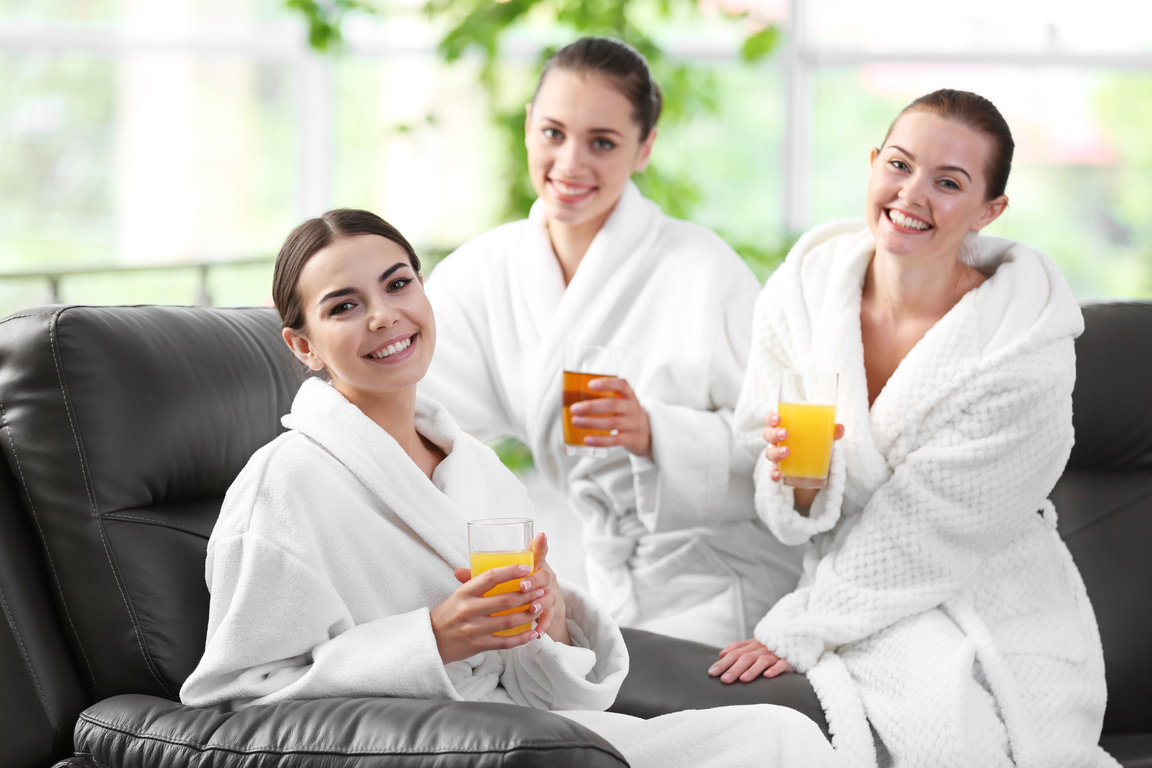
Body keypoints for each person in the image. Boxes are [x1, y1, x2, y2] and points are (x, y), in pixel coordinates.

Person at [179, 209, 842, 768]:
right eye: (345, 306)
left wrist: (548, 621)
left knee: (783, 738)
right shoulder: (284, 483)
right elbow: (238, 704)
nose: (384, 316)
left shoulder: (476, 468)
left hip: (520, 737)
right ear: (304, 347)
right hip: (423, 752)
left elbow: (533, 686)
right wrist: (433, 640)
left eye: (399, 284)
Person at [712, 90, 1117, 767]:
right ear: (873, 165)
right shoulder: (802, 294)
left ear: (990, 210)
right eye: (899, 165)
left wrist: (801, 628)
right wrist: (801, 482)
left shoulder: (1022, 349)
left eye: (948, 182)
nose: (912, 194)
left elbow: (926, 531)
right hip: (853, 585)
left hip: (991, 591)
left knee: (967, 737)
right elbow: (778, 487)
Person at [419, 36, 800, 648]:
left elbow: (783, 453)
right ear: (527, 128)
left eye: (602, 142)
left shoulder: (702, 268)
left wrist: (654, 432)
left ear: (644, 147)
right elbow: (414, 402)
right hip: (599, 580)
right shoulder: (486, 270)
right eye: (552, 133)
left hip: (723, 577)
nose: (569, 163)